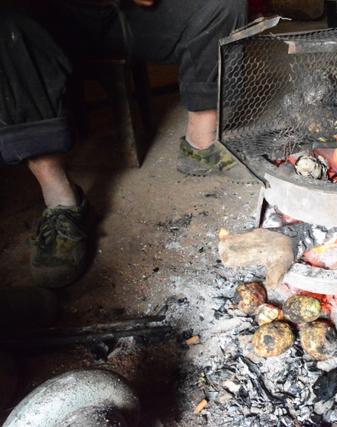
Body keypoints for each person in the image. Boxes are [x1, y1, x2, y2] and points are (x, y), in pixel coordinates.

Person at [0, 0, 247, 288]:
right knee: (5, 23)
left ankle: (201, 147)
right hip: (48, 21)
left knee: (222, 5)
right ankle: (62, 203)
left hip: (126, 13)